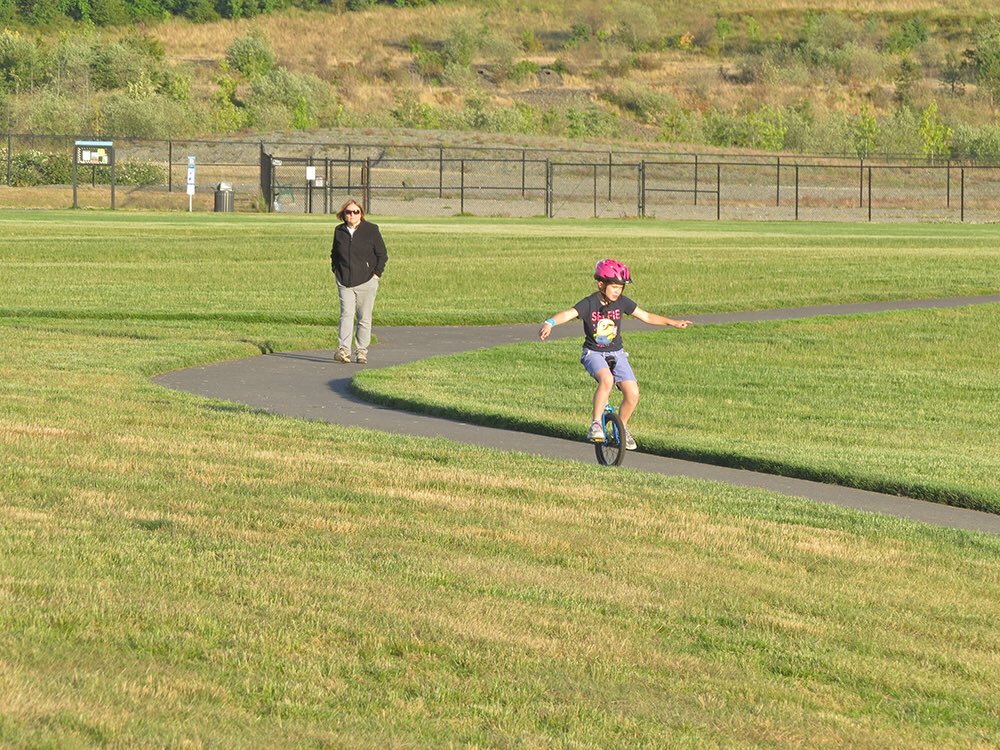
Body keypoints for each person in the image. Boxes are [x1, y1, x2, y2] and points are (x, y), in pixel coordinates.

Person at [538, 258, 692, 449]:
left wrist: (673, 322)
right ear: (601, 284)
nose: (618, 291)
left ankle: (622, 427)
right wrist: (549, 323)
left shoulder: (622, 303)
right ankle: (595, 424)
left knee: (633, 393)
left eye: (621, 287)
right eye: (614, 287)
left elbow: (646, 316)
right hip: (593, 353)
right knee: (607, 380)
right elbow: (567, 314)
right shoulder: (589, 303)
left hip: (617, 353)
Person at [330, 198, 387, 364]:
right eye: (349, 212)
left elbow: (382, 254)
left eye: (356, 212)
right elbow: (334, 253)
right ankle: (344, 350)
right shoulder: (339, 231)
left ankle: (361, 351)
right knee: (346, 314)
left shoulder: (371, 230)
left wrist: (376, 274)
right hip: (344, 280)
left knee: (364, 317)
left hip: (366, 281)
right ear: (344, 214)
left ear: (361, 214)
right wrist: (336, 270)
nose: (352, 215)